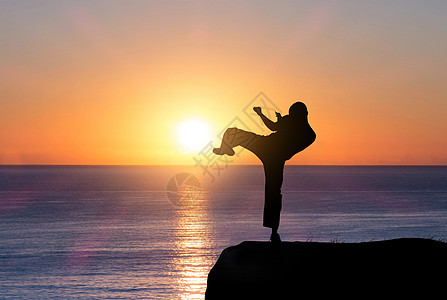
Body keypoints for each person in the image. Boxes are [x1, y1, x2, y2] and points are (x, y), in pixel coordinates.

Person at [213, 102, 316, 243]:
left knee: (273, 193)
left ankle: (274, 232)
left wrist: (281, 123)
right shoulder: (305, 132)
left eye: (293, 114)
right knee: (232, 132)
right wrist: (265, 116)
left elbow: (281, 132)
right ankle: (226, 148)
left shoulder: (308, 134)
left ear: (301, 115)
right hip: (267, 148)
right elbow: (274, 127)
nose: (290, 116)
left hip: (272, 153)